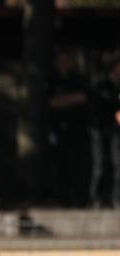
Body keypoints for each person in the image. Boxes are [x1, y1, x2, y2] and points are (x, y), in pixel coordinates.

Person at [48, 51, 90, 207]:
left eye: (67, 60)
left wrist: (64, 100)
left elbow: (83, 97)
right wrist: (72, 99)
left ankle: (78, 197)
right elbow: (51, 103)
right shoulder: (53, 80)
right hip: (58, 130)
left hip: (76, 130)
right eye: (62, 60)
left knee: (77, 164)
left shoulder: (76, 80)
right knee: (60, 164)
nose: (65, 63)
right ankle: (61, 197)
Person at [91, 60, 120, 207]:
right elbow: (95, 106)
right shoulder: (100, 84)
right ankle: (97, 198)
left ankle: (116, 199)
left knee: (118, 164)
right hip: (100, 129)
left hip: (116, 130)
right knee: (100, 165)